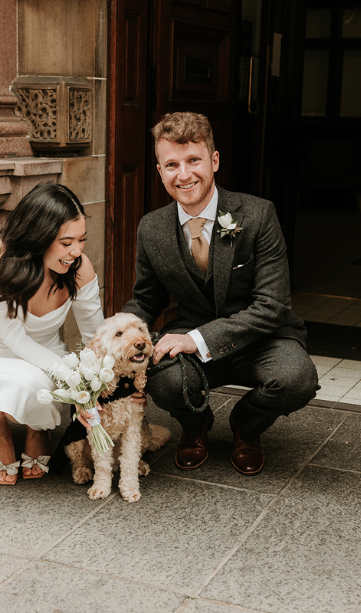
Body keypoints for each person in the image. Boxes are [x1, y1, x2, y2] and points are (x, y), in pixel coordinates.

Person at [122, 111, 319, 476]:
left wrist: (197, 339)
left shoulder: (258, 215)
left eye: (193, 160)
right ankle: (196, 427)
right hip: (193, 336)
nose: (184, 175)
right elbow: (147, 300)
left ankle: (247, 425)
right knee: (162, 378)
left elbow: (272, 305)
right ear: (160, 170)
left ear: (213, 160)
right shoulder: (151, 228)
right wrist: (113, 337)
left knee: (297, 379)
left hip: (262, 338)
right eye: (171, 164)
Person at [0, 183, 107, 485]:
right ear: (38, 237)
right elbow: (14, 339)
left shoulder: (80, 268)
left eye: (81, 240)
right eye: (66, 242)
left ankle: (37, 430)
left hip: (45, 354)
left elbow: (95, 336)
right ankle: (1, 436)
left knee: (33, 385)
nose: (77, 251)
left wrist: (91, 390)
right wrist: (72, 382)